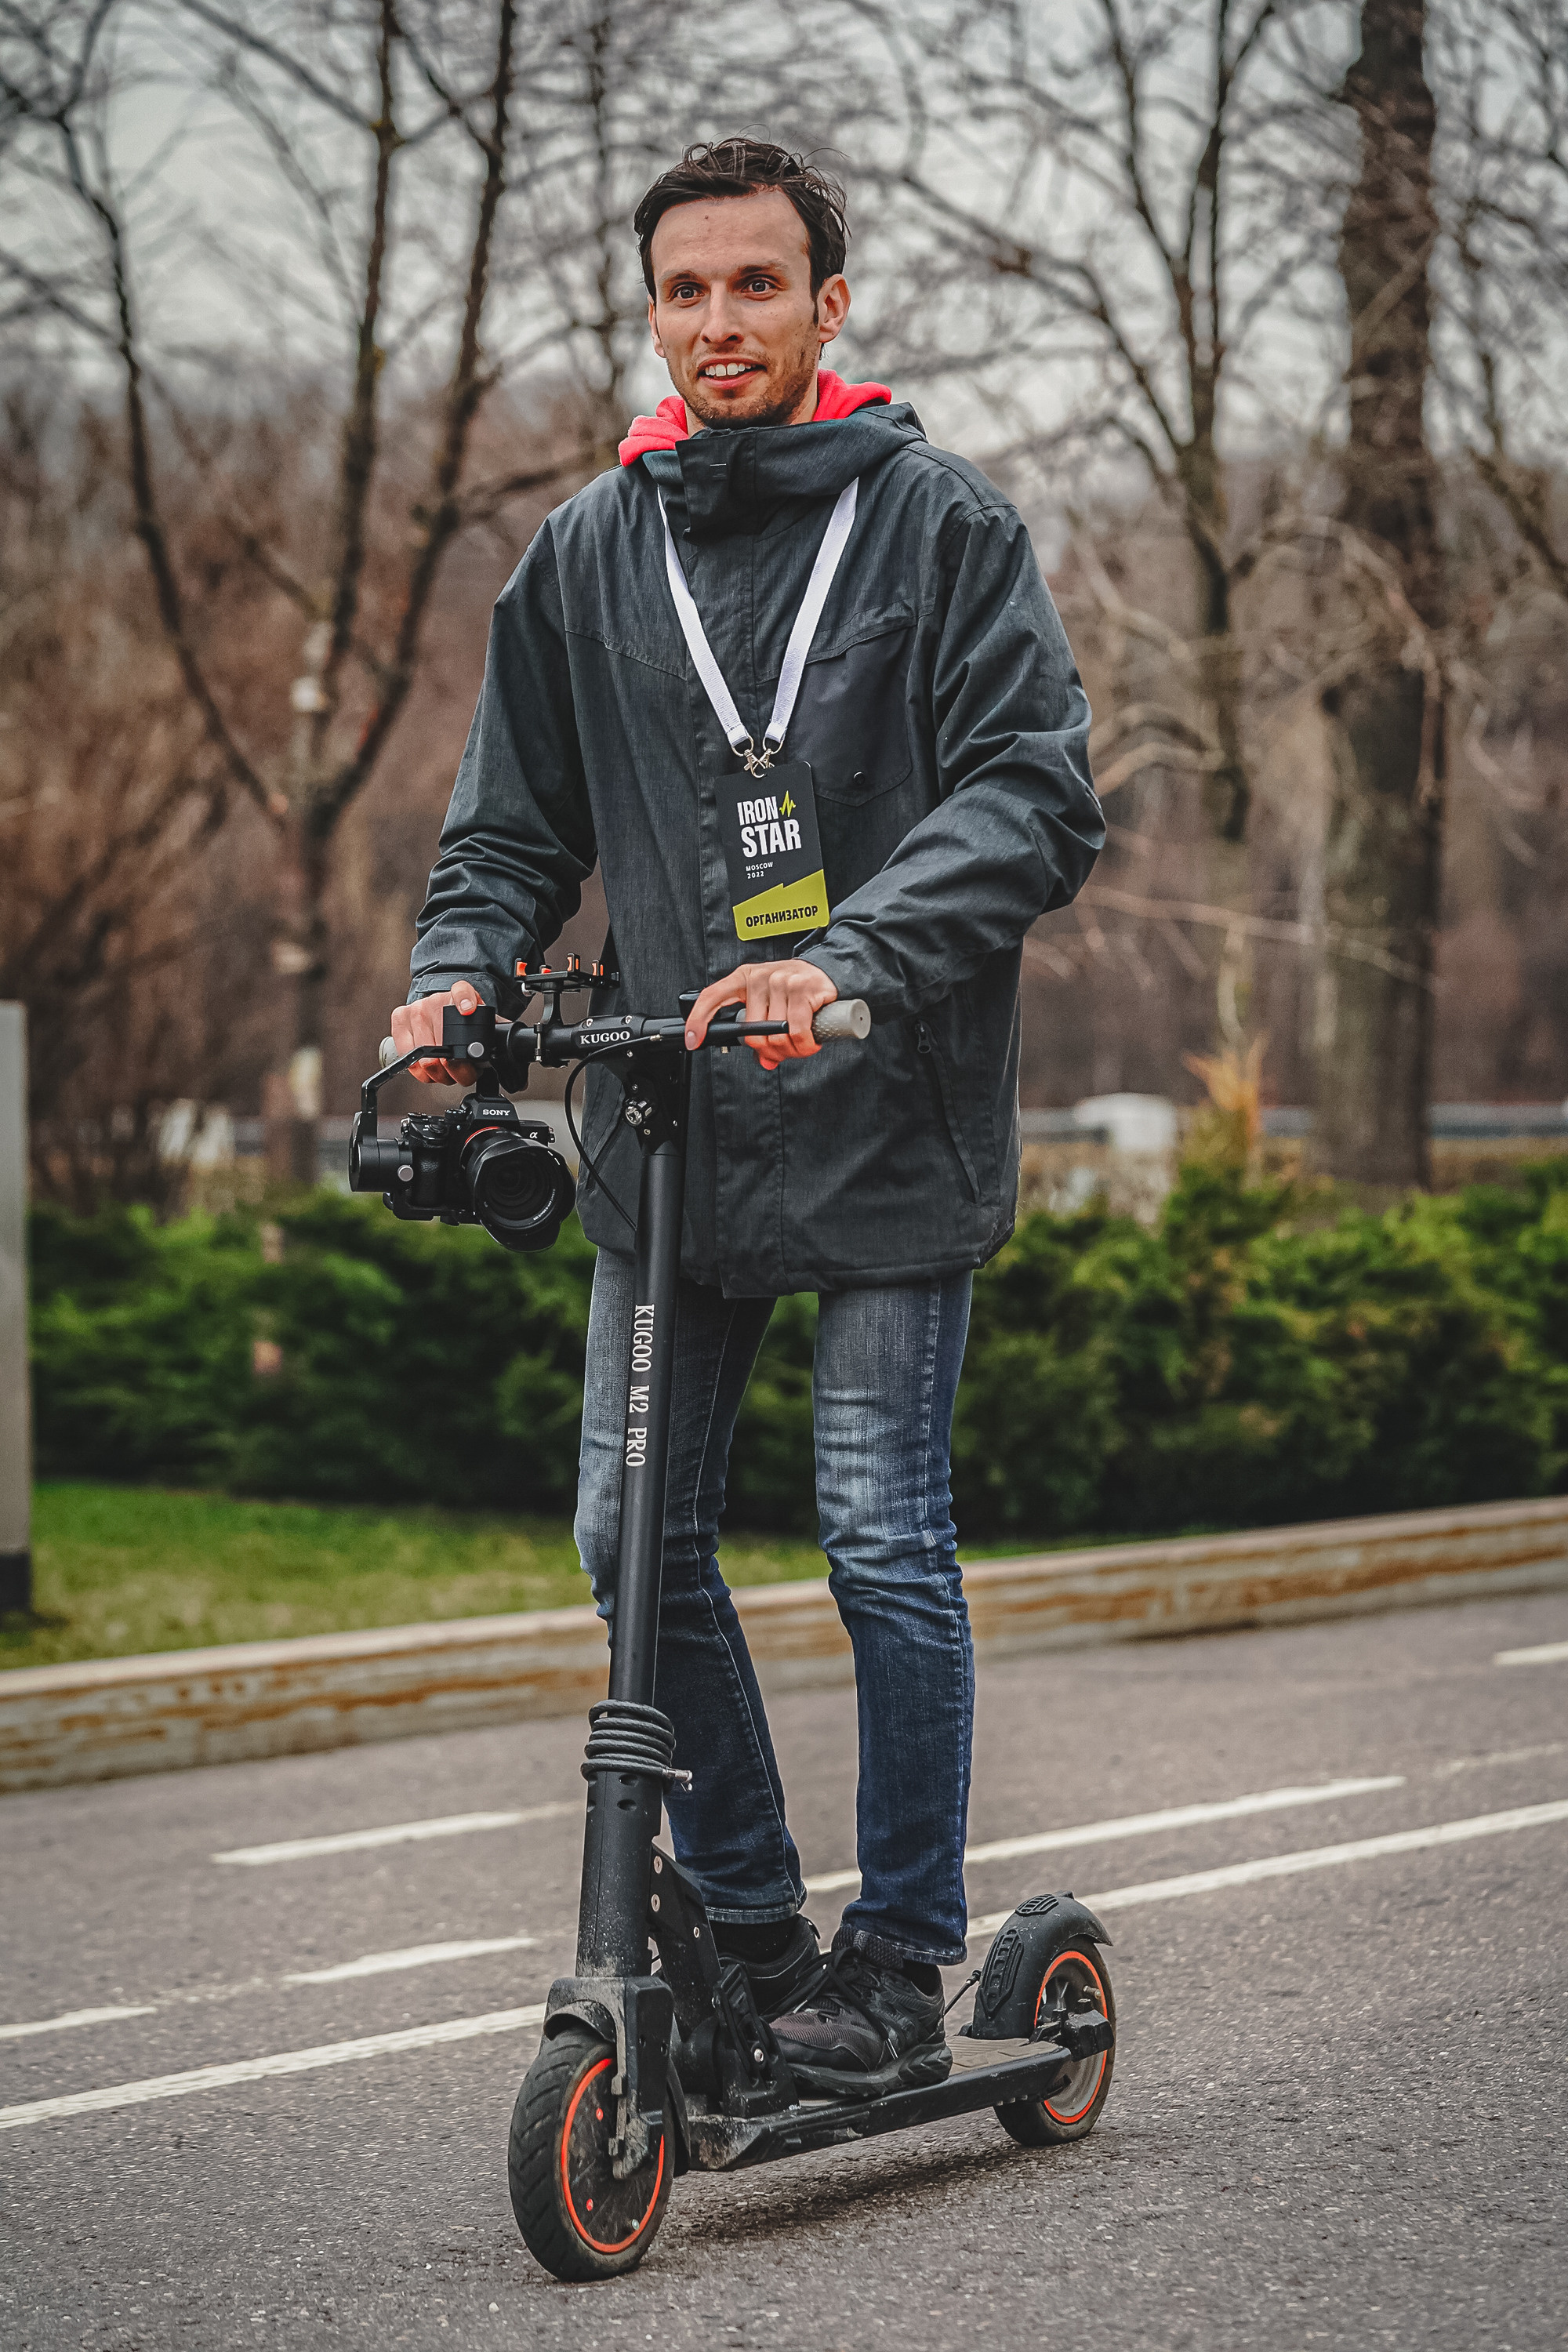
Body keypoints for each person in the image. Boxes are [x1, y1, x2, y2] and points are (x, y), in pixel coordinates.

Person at [392, 138, 1102, 2097]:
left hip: (881, 1101)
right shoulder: (585, 552)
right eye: (686, 291)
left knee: (879, 1536)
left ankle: (895, 1958)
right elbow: (506, 834)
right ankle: (754, 1923)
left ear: (828, 307)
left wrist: (849, 953)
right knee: (628, 1523)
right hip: (667, 1125)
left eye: (757, 288)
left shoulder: (939, 524)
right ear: (653, 310)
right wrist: (460, 975)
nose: (720, 323)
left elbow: (1037, 796)